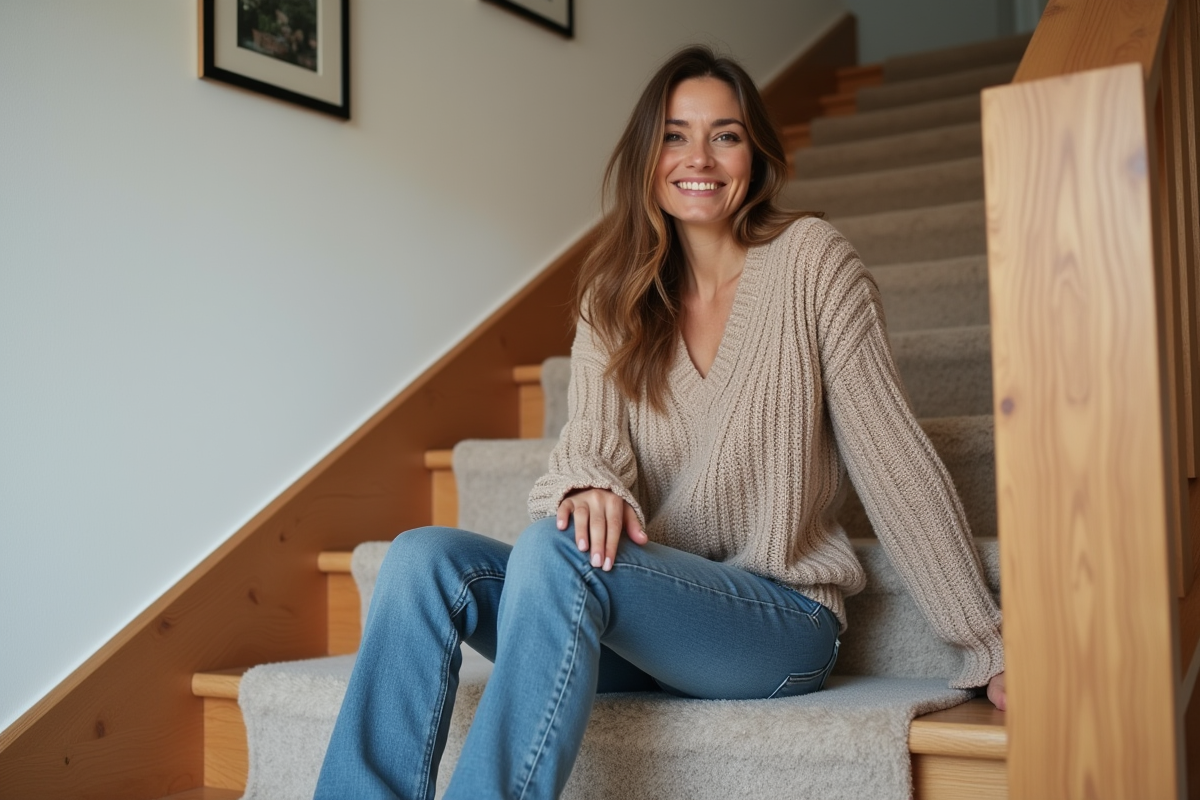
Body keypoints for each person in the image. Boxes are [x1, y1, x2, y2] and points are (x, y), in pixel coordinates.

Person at [314, 45, 1006, 800]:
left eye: (726, 134)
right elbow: (590, 444)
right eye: (675, 134)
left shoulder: (812, 265)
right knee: (421, 561)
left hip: (777, 624)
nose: (698, 157)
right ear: (648, 155)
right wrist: (587, 483)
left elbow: (893, 461)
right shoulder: (613, 295)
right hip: (642, 627)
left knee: (557, 550)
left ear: (758, 154)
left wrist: (986, 644)